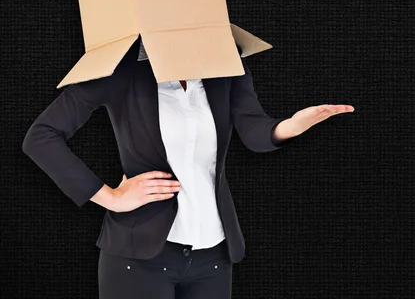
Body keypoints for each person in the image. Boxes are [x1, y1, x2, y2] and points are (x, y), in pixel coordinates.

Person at [22, 37, 354, 299]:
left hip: (214, 256)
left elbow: (253, 130)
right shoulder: (121, 70)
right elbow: (41, 137)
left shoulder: (224, 65)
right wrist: (109, 197)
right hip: (139, 258)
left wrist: (291, 127)